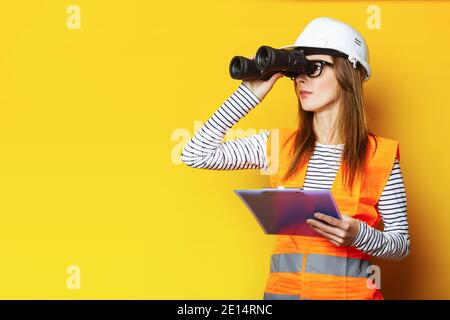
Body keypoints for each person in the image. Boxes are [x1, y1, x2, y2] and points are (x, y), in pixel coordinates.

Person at [181, 17, 410, 300]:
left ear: (347, 73)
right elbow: (196, 154)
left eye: (314, 68)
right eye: (297, 70)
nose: (300, 78)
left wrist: (360, 236)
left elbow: (401, 245)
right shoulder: (279, 146)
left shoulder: (380, 156)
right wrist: (248, 94)